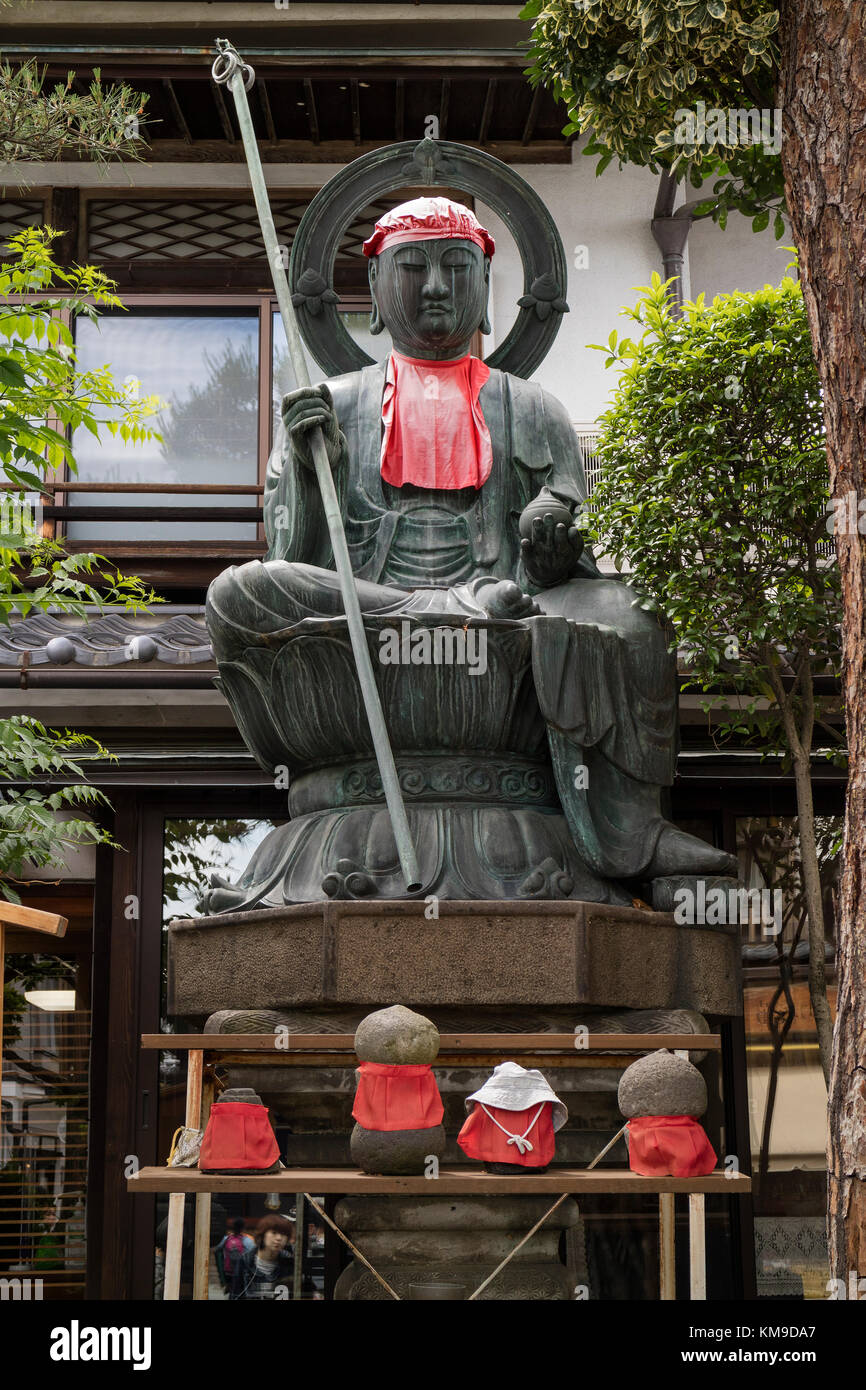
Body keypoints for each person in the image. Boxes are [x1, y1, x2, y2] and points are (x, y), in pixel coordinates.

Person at [233, 1214, 295, 1300]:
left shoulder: (289, 1261)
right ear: (263, 1235)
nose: (279, 1238)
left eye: (283, 1234)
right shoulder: (245, 1260)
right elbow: (235, 1294)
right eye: (274, 1233)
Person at [215, 1217, 256, 1300]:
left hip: (228, 1272)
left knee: (232, 1291)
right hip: (242, 1273)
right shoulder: (247, 1240)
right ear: (243, 1228)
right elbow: (254, 1253)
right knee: (241, 1292)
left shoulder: (226, 1238)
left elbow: (217, 1250)